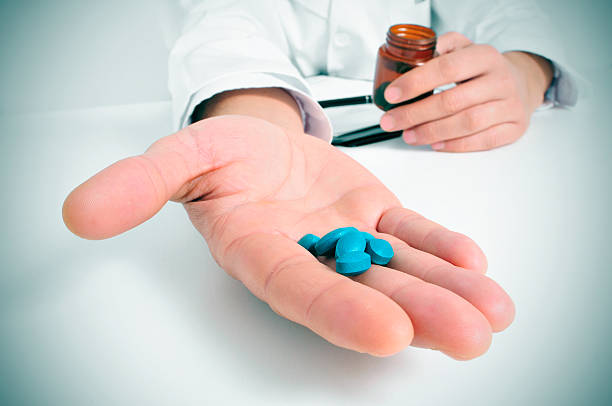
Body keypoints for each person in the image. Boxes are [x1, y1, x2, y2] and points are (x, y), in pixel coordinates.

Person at [62, 0, 576, 359]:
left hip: (450, 153)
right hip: (299, 131)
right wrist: (255, 119)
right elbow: (222, 26)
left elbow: (514, 10)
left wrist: (528, 71)